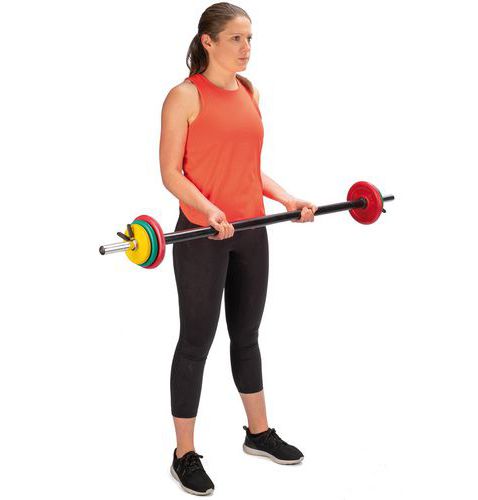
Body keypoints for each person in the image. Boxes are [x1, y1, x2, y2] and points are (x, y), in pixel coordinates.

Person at [159, 2, 317, 495]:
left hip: (251, 230)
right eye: (236, 38)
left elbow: (247, 168)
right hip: (202, 236)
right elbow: (171, 173)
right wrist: (208, 210)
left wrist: (287, 198)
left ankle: (258, 433)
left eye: (250, 38)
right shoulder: (184, 96)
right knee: (195, 343)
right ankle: (184, 454)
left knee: (246, 335)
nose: (246, 48)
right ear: (207, 41)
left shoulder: (249, 91)